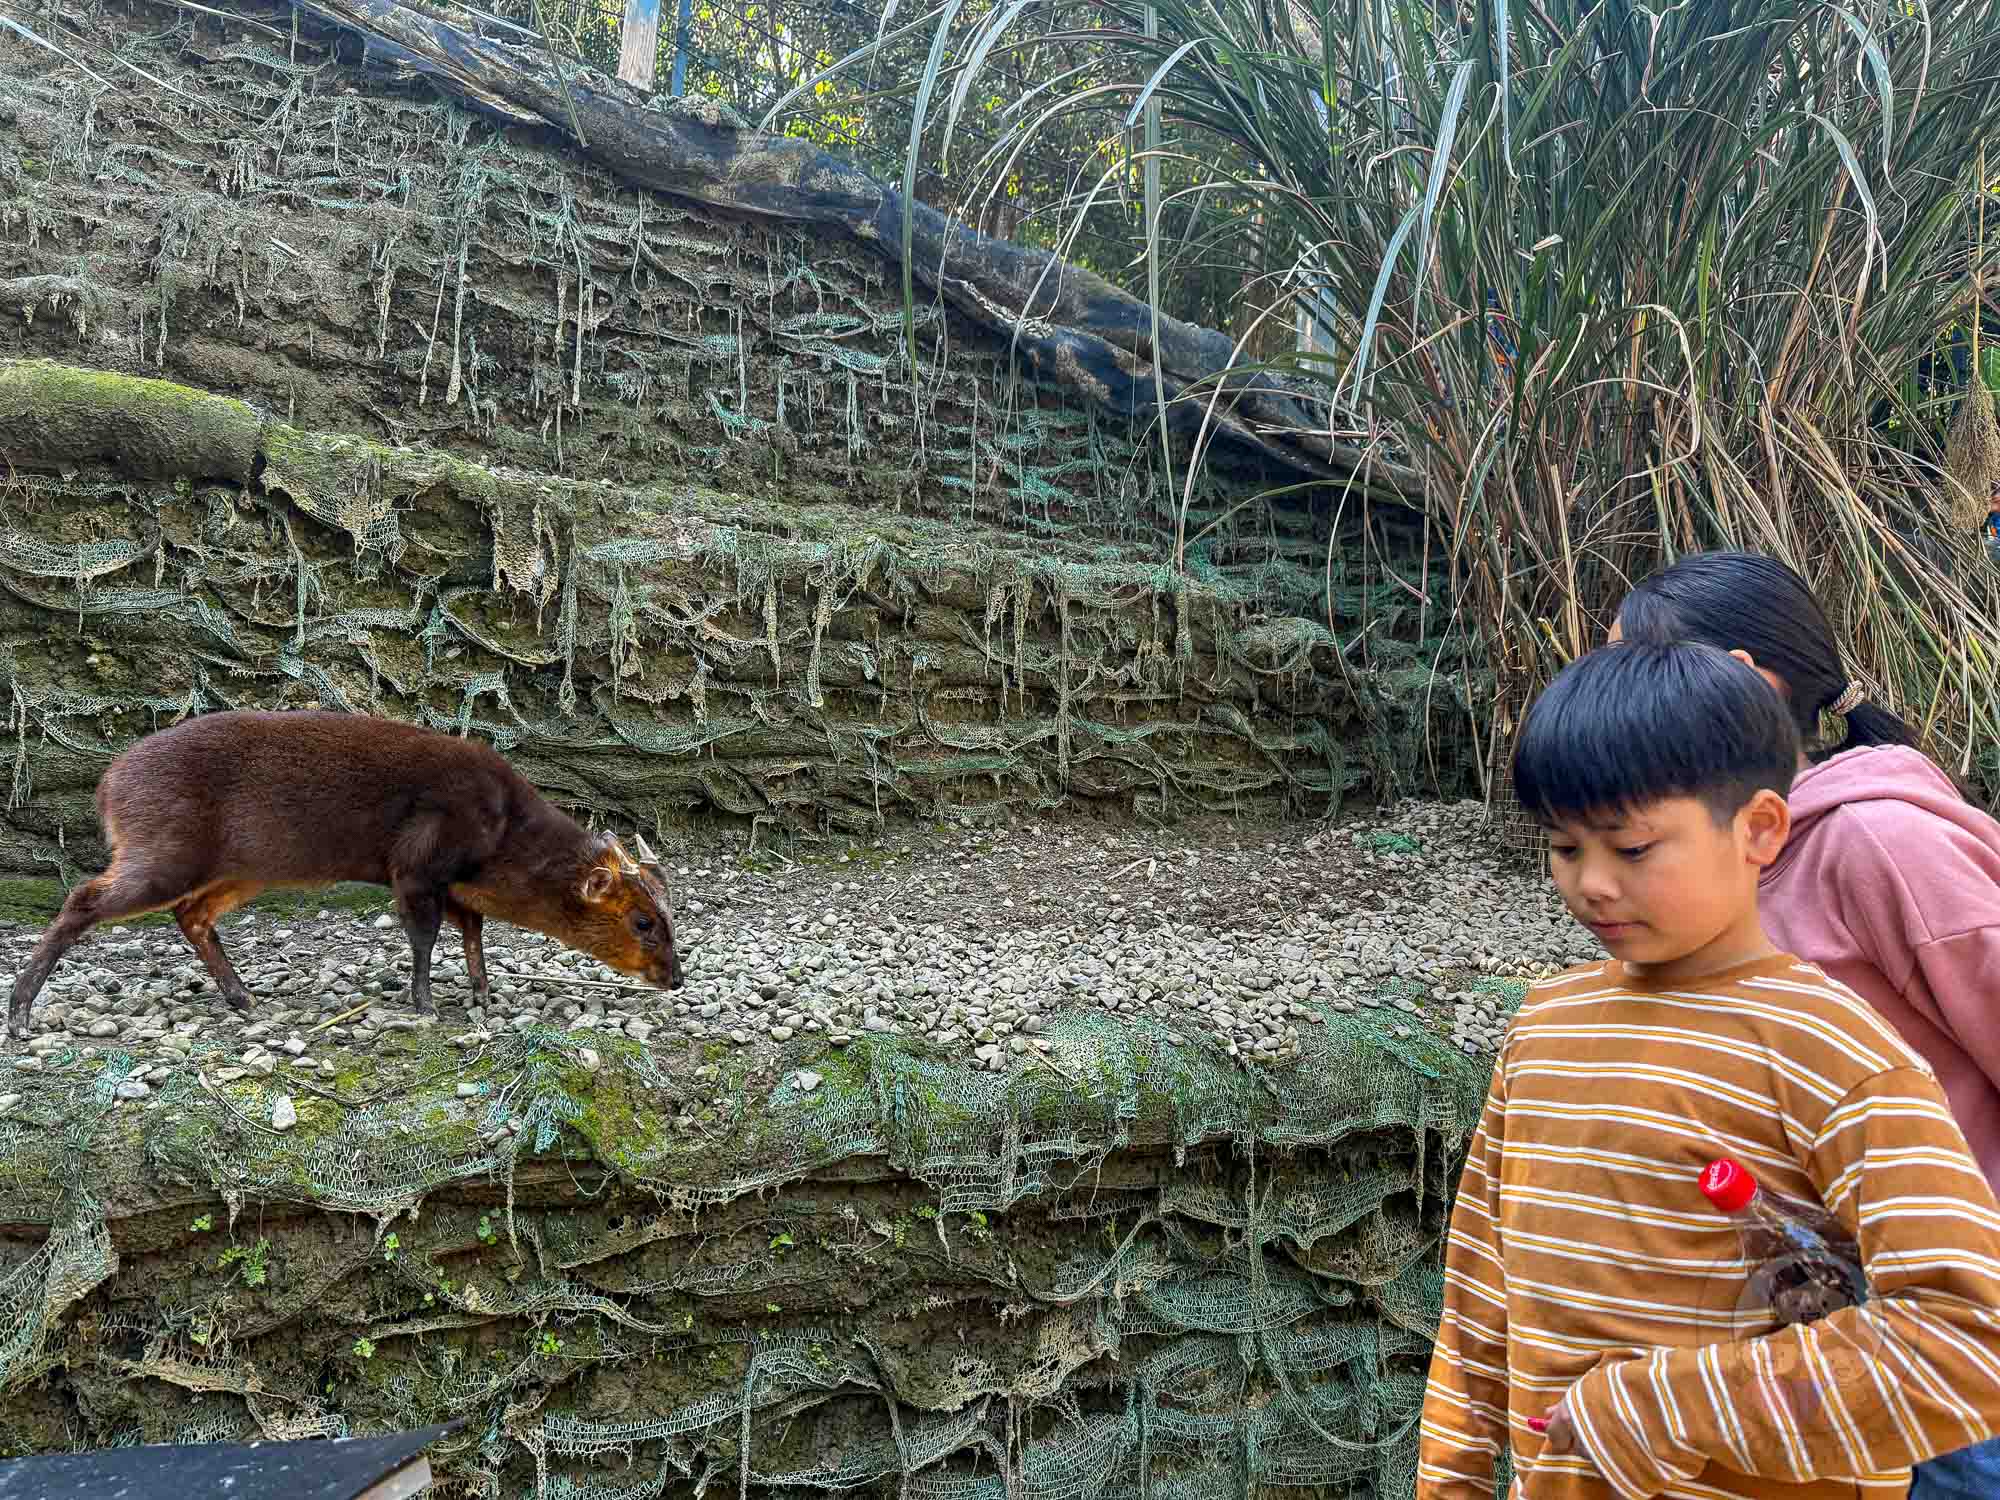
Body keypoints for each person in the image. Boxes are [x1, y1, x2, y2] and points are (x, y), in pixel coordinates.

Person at [1416, 639, 2000, 1500]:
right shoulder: (1544, 1026)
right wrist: (1452, 1481)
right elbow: (1478, 1294)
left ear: (1759, 828)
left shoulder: (1832, 1048)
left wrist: (1659, 1407)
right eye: (1565, 847)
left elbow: (1968, 1341)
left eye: (1632, 849)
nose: (1592, 884)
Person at [1612, 549, 2000, 1498]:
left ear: (1744, 683)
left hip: (1945, 1331)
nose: (1603, 698)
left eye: (1631, 670)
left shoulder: (1881, 841)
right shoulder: (1704, 872)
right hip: (1822, 1333)